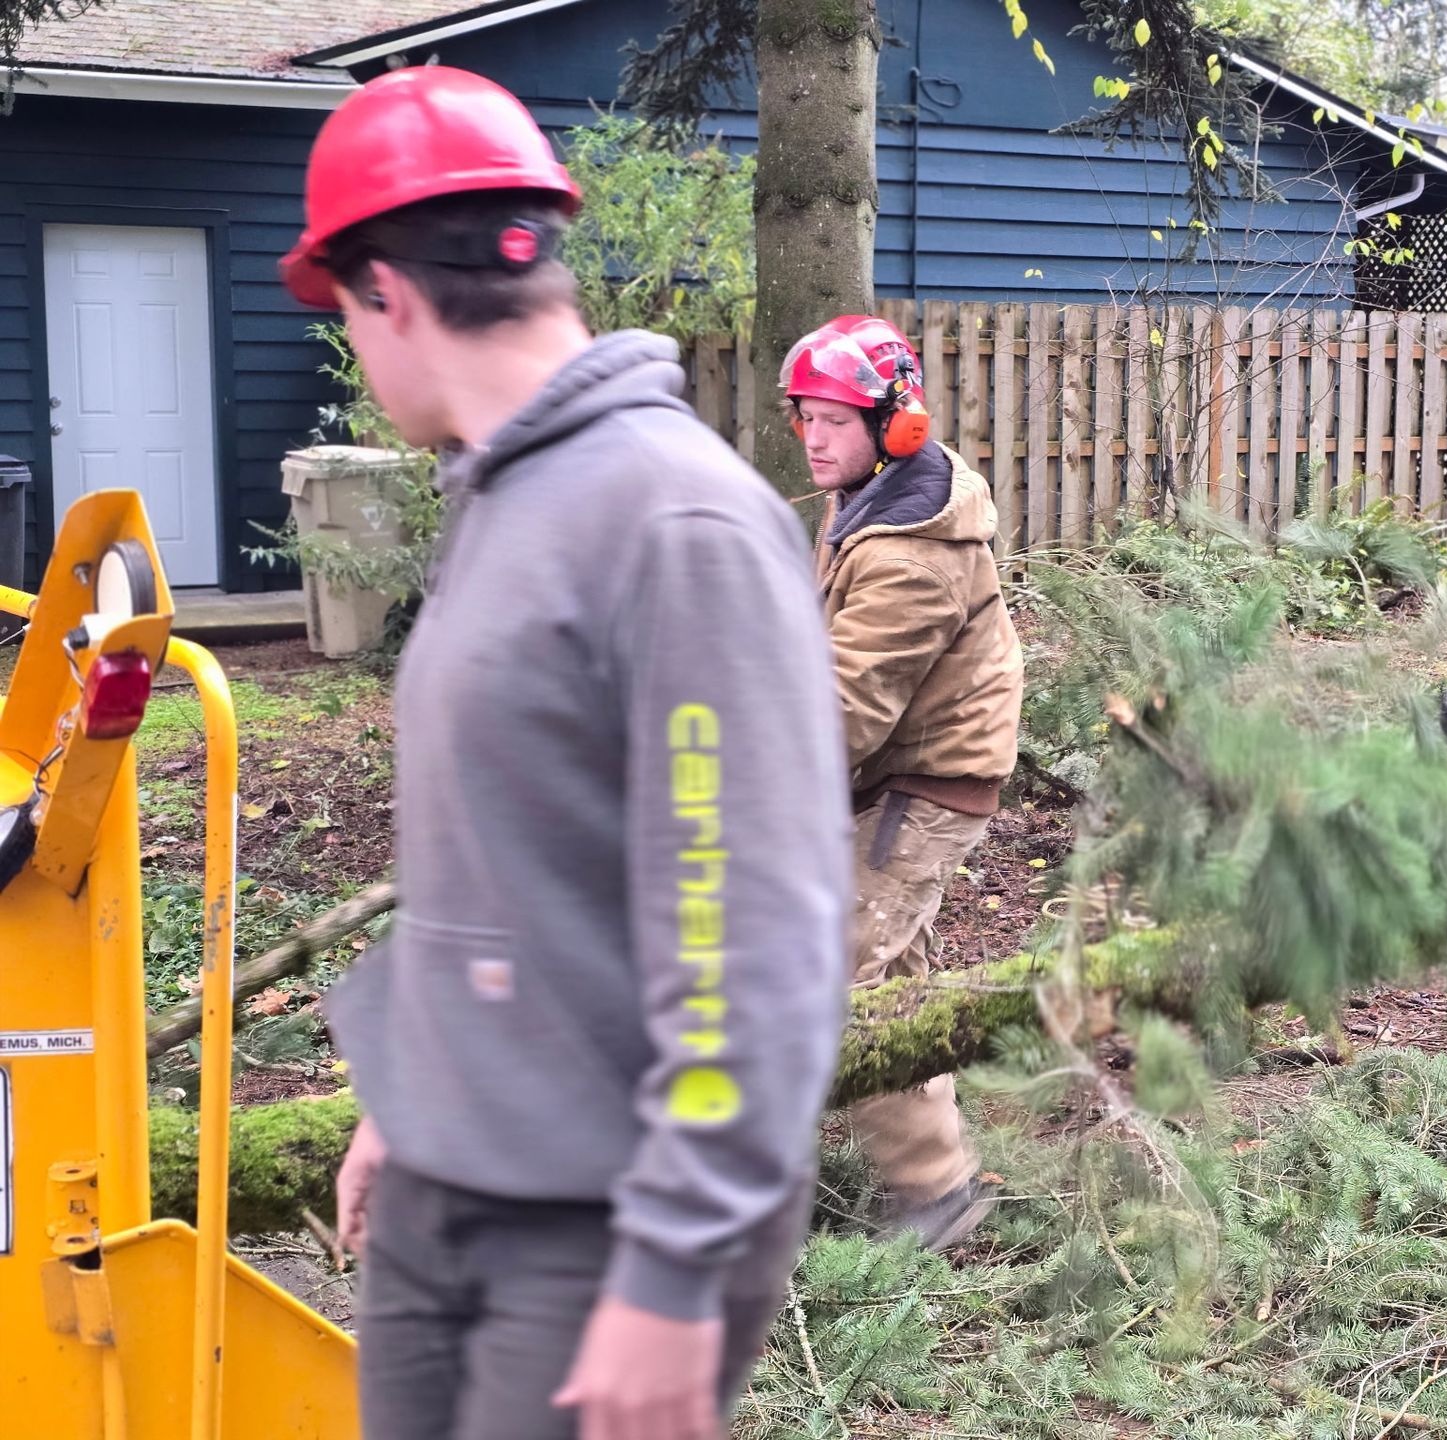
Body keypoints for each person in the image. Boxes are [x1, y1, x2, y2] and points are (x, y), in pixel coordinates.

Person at [285, 67, 851, 1440]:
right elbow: (504, 846)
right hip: (447, 1174)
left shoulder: (674, 524)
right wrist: (412, 1093)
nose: (357, 354)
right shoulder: (502, 497)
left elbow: (755, 936)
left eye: (344, 319)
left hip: (595, 1230)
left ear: (390, 295)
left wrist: (675, 1274)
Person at [780, 316, 1023, 1251]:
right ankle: (936, 1172)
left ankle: (935, 1203)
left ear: (897, 423)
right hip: (883, 774)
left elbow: (842, 708)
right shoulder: (868, 502)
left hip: (926, 784)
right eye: (805, 417)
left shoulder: (913, 549)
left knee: (842, 980)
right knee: (889, 980)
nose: (814, 438)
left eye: (835, 419)